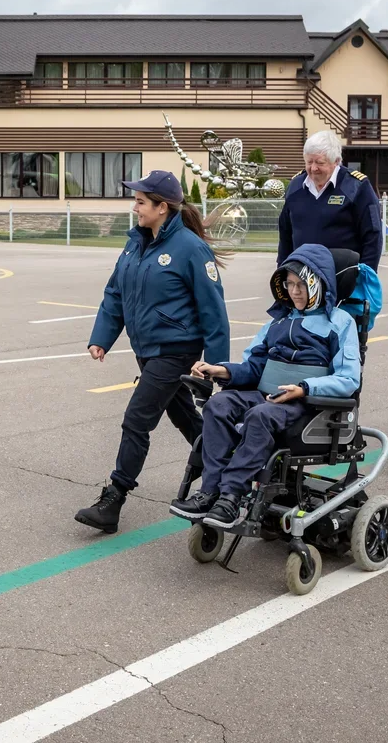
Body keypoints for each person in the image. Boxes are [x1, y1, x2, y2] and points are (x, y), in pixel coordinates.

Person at [76, 169, 231, 534]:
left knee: (137, 419)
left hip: (177, 350)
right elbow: (116, 292)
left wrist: (216, 367)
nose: (135, 208)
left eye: (141, 202)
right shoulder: (135, 243)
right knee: (188, 421)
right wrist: (102, 337)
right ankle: (229, 475)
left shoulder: (191, 249)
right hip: (146, 350)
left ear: (162, 207)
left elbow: (214, 312)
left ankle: (113, 499)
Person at [168, 244, 360, 529]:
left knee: (260, 415)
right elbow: (253, 367)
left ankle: (231, 497)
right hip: (266, 395)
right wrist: (220, 369)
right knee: (218, 404)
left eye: (302, 285)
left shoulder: (340, 323)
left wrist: (304, 389)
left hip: (305, 406)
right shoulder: (278, 322)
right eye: (290, 284)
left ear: (318, 284)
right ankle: (209, 492)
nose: (294, 291)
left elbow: (348, 379)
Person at [277, 130, 382, 269]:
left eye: (320, 162)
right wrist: (282, 270)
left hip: (344, 277)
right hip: (302, 277)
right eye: (309, 162)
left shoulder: (356, 187)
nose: (313, 168)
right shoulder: (295, 187)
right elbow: (285, 235)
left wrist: (364, 277)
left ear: (336, 161)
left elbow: (372, 237)